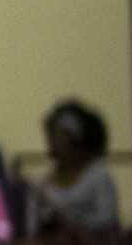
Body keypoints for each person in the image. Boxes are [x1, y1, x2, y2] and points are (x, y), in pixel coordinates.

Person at [28, 98, 119, 233]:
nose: (51, 142)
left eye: (58, 135)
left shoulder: (99, 177)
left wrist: (69, 223)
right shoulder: (42, 184)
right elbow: (32, 226)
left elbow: (107, 221)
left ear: (76, 139)